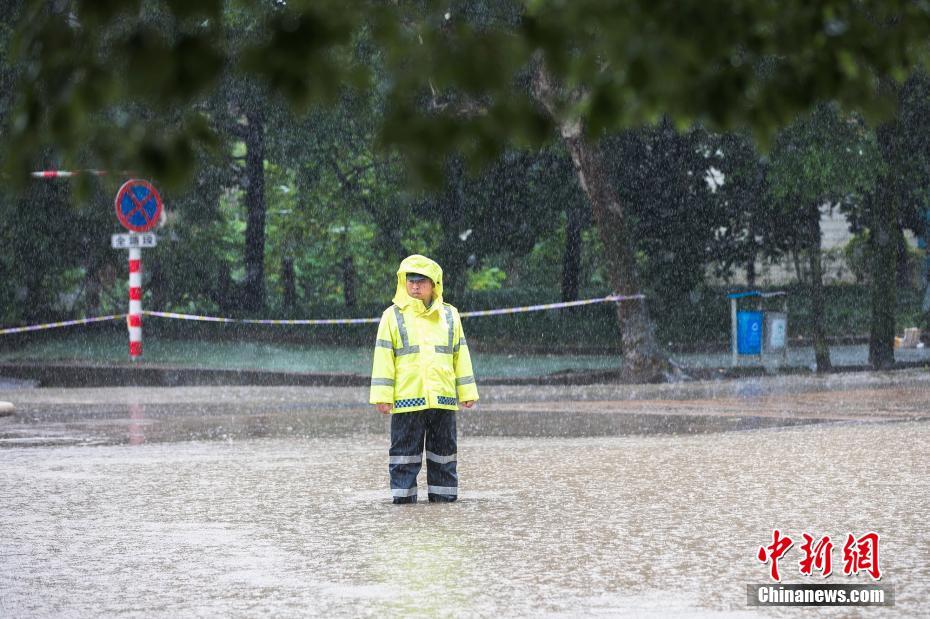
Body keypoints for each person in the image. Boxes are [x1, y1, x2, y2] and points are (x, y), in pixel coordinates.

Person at [370, 254, 478, 504]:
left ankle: (444, 504)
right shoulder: (392, 316)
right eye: (411, 281)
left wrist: (467, 391)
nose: (415, 286)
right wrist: (382, 397)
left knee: (444, 456)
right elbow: (384, 358)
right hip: (407, 400)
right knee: (404, 457)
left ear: (434, 284)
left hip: (442, 400)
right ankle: (404, 508)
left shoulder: (450, 315)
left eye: (421, 281)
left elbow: (460, 354)